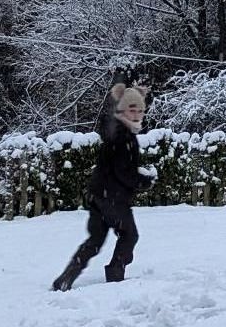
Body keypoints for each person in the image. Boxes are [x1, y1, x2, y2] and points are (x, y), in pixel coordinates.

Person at [51, 80, 154, 291]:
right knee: (129, 235)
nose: (136, 114)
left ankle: (66, 277)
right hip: (113, 198)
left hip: (98, 195)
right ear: (123, 110)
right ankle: (115, 274)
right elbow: (123, 171)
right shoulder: (124, 137)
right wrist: (144, 181)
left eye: (140, 110)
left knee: (96, 240)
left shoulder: (113, 131)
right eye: (132, 109)